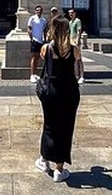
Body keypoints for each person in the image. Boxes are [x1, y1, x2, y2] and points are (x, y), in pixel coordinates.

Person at [35, 18, 82, 182]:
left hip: (52, 92)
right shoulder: (74, 49)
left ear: (52, 30)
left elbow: (45, 62)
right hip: (69, 91)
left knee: (49, 126)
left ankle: (44, 160)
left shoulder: (46, 48)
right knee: (66, 128)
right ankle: (59, 169)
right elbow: (77, 62)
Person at [27, 5, 48, 83]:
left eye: (40, 10)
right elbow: (29, 28)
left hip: (41, 41)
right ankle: (32, 75)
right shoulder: (32, 18)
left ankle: (35, 74)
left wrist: (45, 39)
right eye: (37, 10)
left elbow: (45, 30)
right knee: (34, 57)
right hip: (35, 40)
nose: (39, 11)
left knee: (39, 57)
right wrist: (31, 38)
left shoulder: (43, 20)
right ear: (35, 11)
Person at [67, 9, 85, 85]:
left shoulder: (77, 21)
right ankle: (77, 75)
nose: (71, 14)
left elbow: (79, 31)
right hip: (71, 41)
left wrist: (77, 41)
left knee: (79, 59)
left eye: (72, 13)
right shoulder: (70, 22)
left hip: (76, 42)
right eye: (69, 13)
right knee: (74, 60)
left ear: (75, 13)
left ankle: (82, 76)